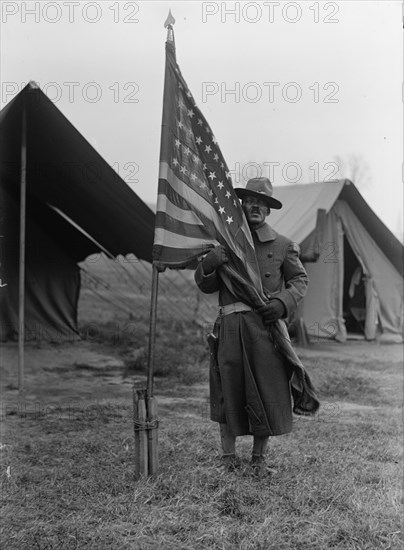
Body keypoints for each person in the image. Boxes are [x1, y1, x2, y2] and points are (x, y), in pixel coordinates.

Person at [194, 177, 309, 475]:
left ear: (269, 210)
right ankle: (228, 458)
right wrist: (209, 263)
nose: (255, 206)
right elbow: (206, 285)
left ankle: (259, 460)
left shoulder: (283, 245)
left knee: (267, 389)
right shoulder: (227, 243)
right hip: (230, 326)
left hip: (264, 326)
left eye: (262, 203)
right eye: (250, 201)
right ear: (241, 205)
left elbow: (299, 280)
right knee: (227, 388)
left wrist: (282, 303)